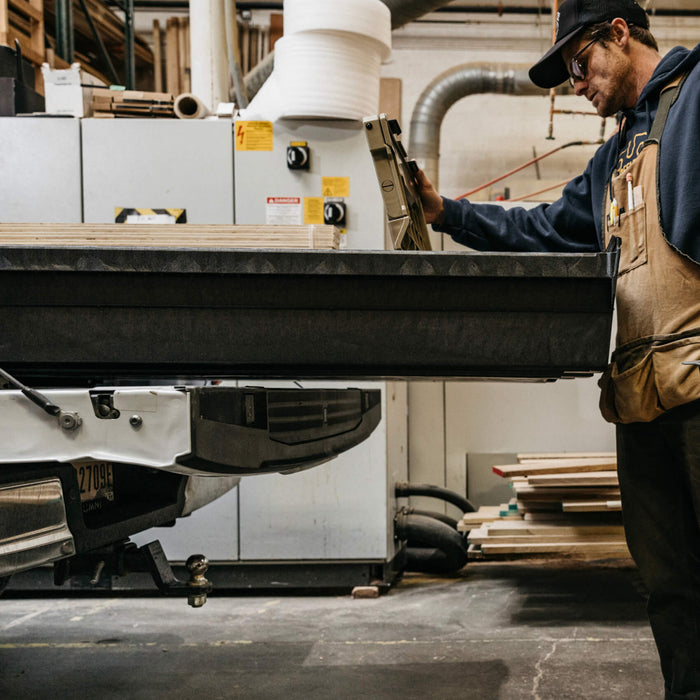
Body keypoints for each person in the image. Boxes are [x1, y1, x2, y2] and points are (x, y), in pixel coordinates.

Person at [417, 0, 700, 697]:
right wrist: (446, 214)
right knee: (670, 585)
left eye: (581, 63)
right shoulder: (612, 159)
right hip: (641, 401)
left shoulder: (697, 98)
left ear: (620, 33)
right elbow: (541, 227)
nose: (577, 83)